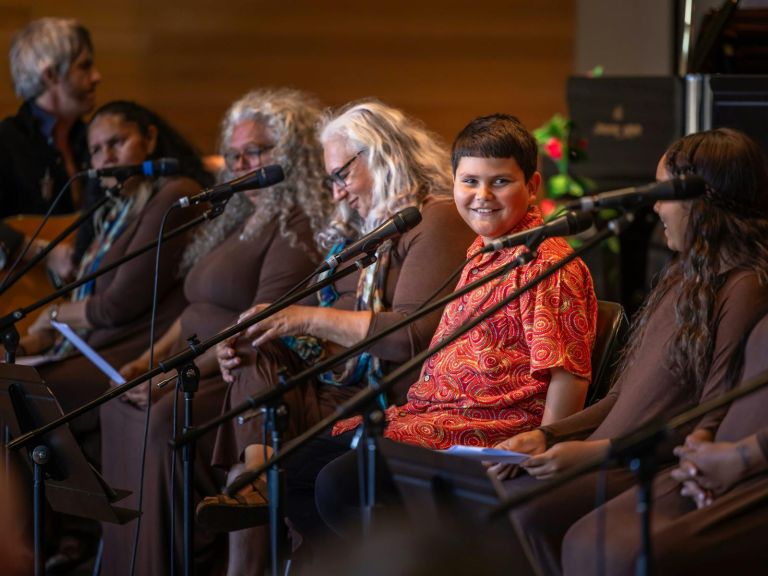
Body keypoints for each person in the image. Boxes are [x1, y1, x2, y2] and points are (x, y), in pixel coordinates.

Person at [208, 99, 476, 574]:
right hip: (334, 384)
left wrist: (304, 319)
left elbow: (413, 338)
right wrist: (258, 334)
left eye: (340, 176)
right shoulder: (359, 235)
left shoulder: (434, 219)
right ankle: (258, 475)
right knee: (257, 339)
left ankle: (259, 482)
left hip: (387, 395)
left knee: (267, 456)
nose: (336, 194)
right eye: (330, 180)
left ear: (380, 154)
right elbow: (314, 330)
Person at [492, 128, 768, 576]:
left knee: (528, 511)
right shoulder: (681, 276)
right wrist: (551, 435)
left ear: (707, 200)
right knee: (500, 495)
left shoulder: (743, 287)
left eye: (664, 193)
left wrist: (593, 453)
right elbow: (619, 398)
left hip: (641, 460)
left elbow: (707, 421)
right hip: (611, 451)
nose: (655, 206)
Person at [315, 113, 598, 537]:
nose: (482, 195)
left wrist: (542, 449)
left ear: (533, 186)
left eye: (500, 182)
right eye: (469, 181)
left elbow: (568, 375)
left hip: (486, 440)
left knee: (338, 483)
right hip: (432, 422)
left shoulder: (548, 265)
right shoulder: (483, 251)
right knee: (301, 467)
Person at [97, 88, 332, 576]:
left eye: (258, 151)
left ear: (292, 153)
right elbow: (195, 309)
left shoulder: (298, 223)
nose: (242, 163)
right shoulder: (238, 215)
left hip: (232, 374)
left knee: (161, 421)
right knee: (116, 402)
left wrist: (165, 376)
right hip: (190, 363)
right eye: (234, 155)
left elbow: (254, 327)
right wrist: (149, 360)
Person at [561, 307, 768, 575]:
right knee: (584, 538)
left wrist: (741, 458)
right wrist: (701, 447)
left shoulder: (748, 285)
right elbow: (723, 398)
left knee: (622, 553)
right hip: (719, 460)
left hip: (748, 467)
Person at [0, 18, 101, 276]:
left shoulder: (94, 141)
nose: (97, 77)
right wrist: (44, 253)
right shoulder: (7, 142)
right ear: (50, 74)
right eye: (85, 67)